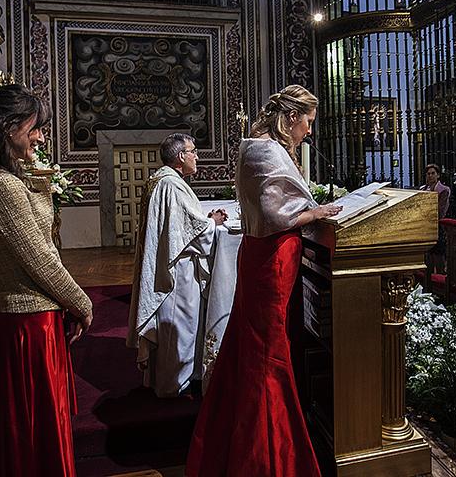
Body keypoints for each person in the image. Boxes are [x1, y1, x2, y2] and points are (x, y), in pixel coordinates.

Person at [187, 85, 341, 477]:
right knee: (266, 352)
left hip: (269, 256)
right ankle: (265, 456)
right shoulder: (265, 150)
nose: (308, 131)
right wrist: (316, 210)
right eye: (307, 122)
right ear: (290, 118)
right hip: (272, 258)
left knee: (255, 345)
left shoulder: (262, 147)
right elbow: (275, 212)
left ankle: (242, 438)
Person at [0, 85, 93, 477]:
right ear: (7, 128)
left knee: (30, 432)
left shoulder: (0, 178)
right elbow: (40, 257)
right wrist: (82, 302)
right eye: (34, 128)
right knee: (33, 435)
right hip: (28, 326)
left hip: (30, 320)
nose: (40, 137)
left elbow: (41, 235)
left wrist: (35, 173)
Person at [127, 133, 227, 397]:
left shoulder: (162, 180)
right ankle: (173, 385)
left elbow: (177, 225)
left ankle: (170, 380)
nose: (197, 156)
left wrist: (203, 219)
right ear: (181, 156)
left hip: (171, 264)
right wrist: (212, 222)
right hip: (177, 272)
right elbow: (189, 233)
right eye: (193, 151)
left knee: (176, 325)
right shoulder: (171, 184)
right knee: (179, 325)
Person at [420, 163, 450, 274]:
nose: (430, 176)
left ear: (438, 175)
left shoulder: (443, 190)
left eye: (433, 173)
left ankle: (441, 281)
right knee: (428, 256)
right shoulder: (423, 189)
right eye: (428, 174)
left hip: (437, 226)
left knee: (438, 256)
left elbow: (441, 210)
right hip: (424, 227)